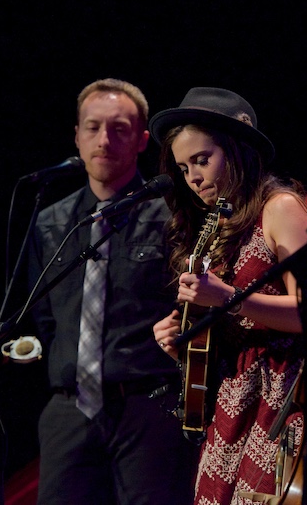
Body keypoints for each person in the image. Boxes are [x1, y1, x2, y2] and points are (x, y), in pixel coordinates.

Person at [149, 87, 307, 505]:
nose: (192, 177)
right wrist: (183, 345)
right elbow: (226, 334)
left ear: (236, 149)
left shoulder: (280, 207)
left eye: (202, 159)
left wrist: (228, 298)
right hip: (231, 402)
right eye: (182, 166)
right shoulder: (218, 226)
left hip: (279, 395)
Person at [27, 78, 196, 505]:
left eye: (119, 129)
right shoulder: (51, 222)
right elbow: (44, 318)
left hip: (148, 407)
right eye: (93, 127)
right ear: (77, 137)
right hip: (69, 409)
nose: (104, 140)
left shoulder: (172, 216)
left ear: (141, 140)